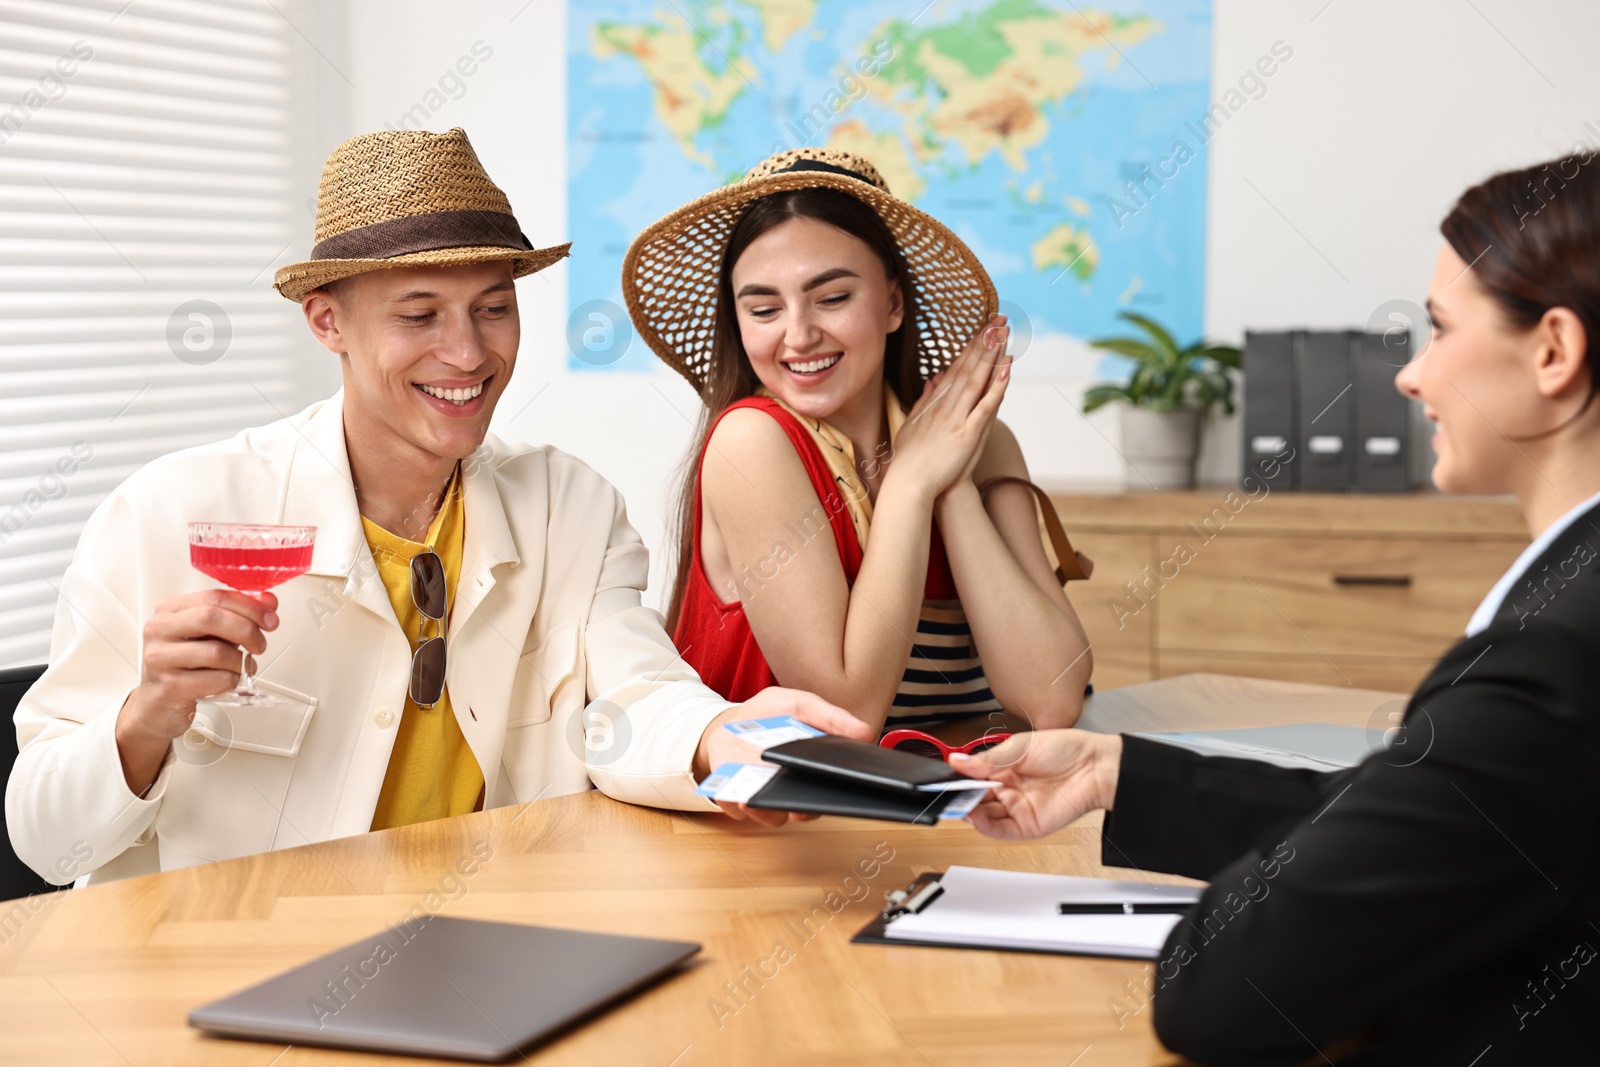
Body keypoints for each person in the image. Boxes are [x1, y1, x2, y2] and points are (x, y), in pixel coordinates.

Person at [6, 128, 867, 886]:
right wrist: (146, 713)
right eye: (419, 315)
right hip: (238, 973)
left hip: (493, 952)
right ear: (326, 322)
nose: (467, 352)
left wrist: (720, 736)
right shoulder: (169, 511)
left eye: (493, 308)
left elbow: (634, 693)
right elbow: (47, 841)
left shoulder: (569, 502)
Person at [953, 154, 1600, 1064]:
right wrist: (1119, 773)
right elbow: (1415, 825)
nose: (1412, 378)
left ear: (1553, 352)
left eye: (1441, 329)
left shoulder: (1555, 661)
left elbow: (1216, 989)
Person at [623, 149, 1093, 737]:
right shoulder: (752, 444)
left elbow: (1052, 700)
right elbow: (848, 716)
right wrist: (913, 482)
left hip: (942, 815)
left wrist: (949, 489)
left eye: (833, 298)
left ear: (893, 302)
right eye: (764, 308)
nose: (798, 335)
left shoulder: (980, 444)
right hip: (764, 824)